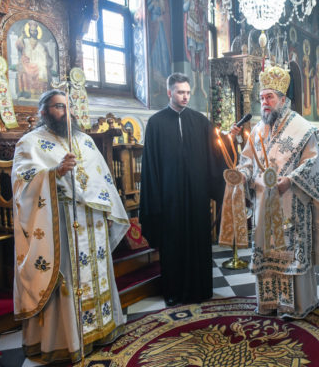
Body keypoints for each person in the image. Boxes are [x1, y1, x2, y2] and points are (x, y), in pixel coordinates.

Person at [11, 89, 129, 364]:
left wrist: (105, 206)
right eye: (58, 107)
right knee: (69, 278)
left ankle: (101, 330)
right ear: (44, 112)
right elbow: (22, 185)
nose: (66, 113)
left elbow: (102, 177)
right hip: (59, 221)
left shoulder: (84, 140)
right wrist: (54, 174)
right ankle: (69, 340)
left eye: (68, 106)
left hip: (92, 221)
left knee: (97, 274)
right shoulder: (30, 143)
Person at [231, 65, 319, 319]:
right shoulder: (257, 130)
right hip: (263, 203)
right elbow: (247, 161)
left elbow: (313, 164)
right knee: (267, 253)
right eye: (262, 98)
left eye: (269, 97)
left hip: (291, 202)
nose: (264, 102)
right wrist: (243, 175)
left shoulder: (302, 128)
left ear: (283, 100)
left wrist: (290, 180)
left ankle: (294, 306)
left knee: (291, 253)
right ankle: (269, 303)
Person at [140, 73, 224, 306]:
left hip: (197, 196)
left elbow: (215, 152)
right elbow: (151, 164)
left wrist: (228, 142)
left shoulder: (200, 121)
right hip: (170, 198)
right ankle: (173, 292)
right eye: (180, 92)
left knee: (198, 241)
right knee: (173, 245)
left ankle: (201, 289)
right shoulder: (156, 123)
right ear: (170, 93)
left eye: (187, 92)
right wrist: (155, 199)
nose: (185, 96)